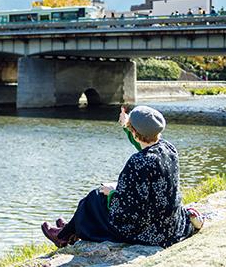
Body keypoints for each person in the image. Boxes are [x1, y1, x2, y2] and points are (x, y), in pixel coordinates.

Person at [42, 106, 203, 248]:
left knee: (94, 199)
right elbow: (144, 145)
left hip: (152, 232)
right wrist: (127, 126)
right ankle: (71, 229)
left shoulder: (137, 162)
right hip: (171, 224)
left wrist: (111, 193)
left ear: (134, 132)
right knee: (97, 199)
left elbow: (126, 210)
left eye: (131, 129)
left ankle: (63, 237)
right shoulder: (168, 148)